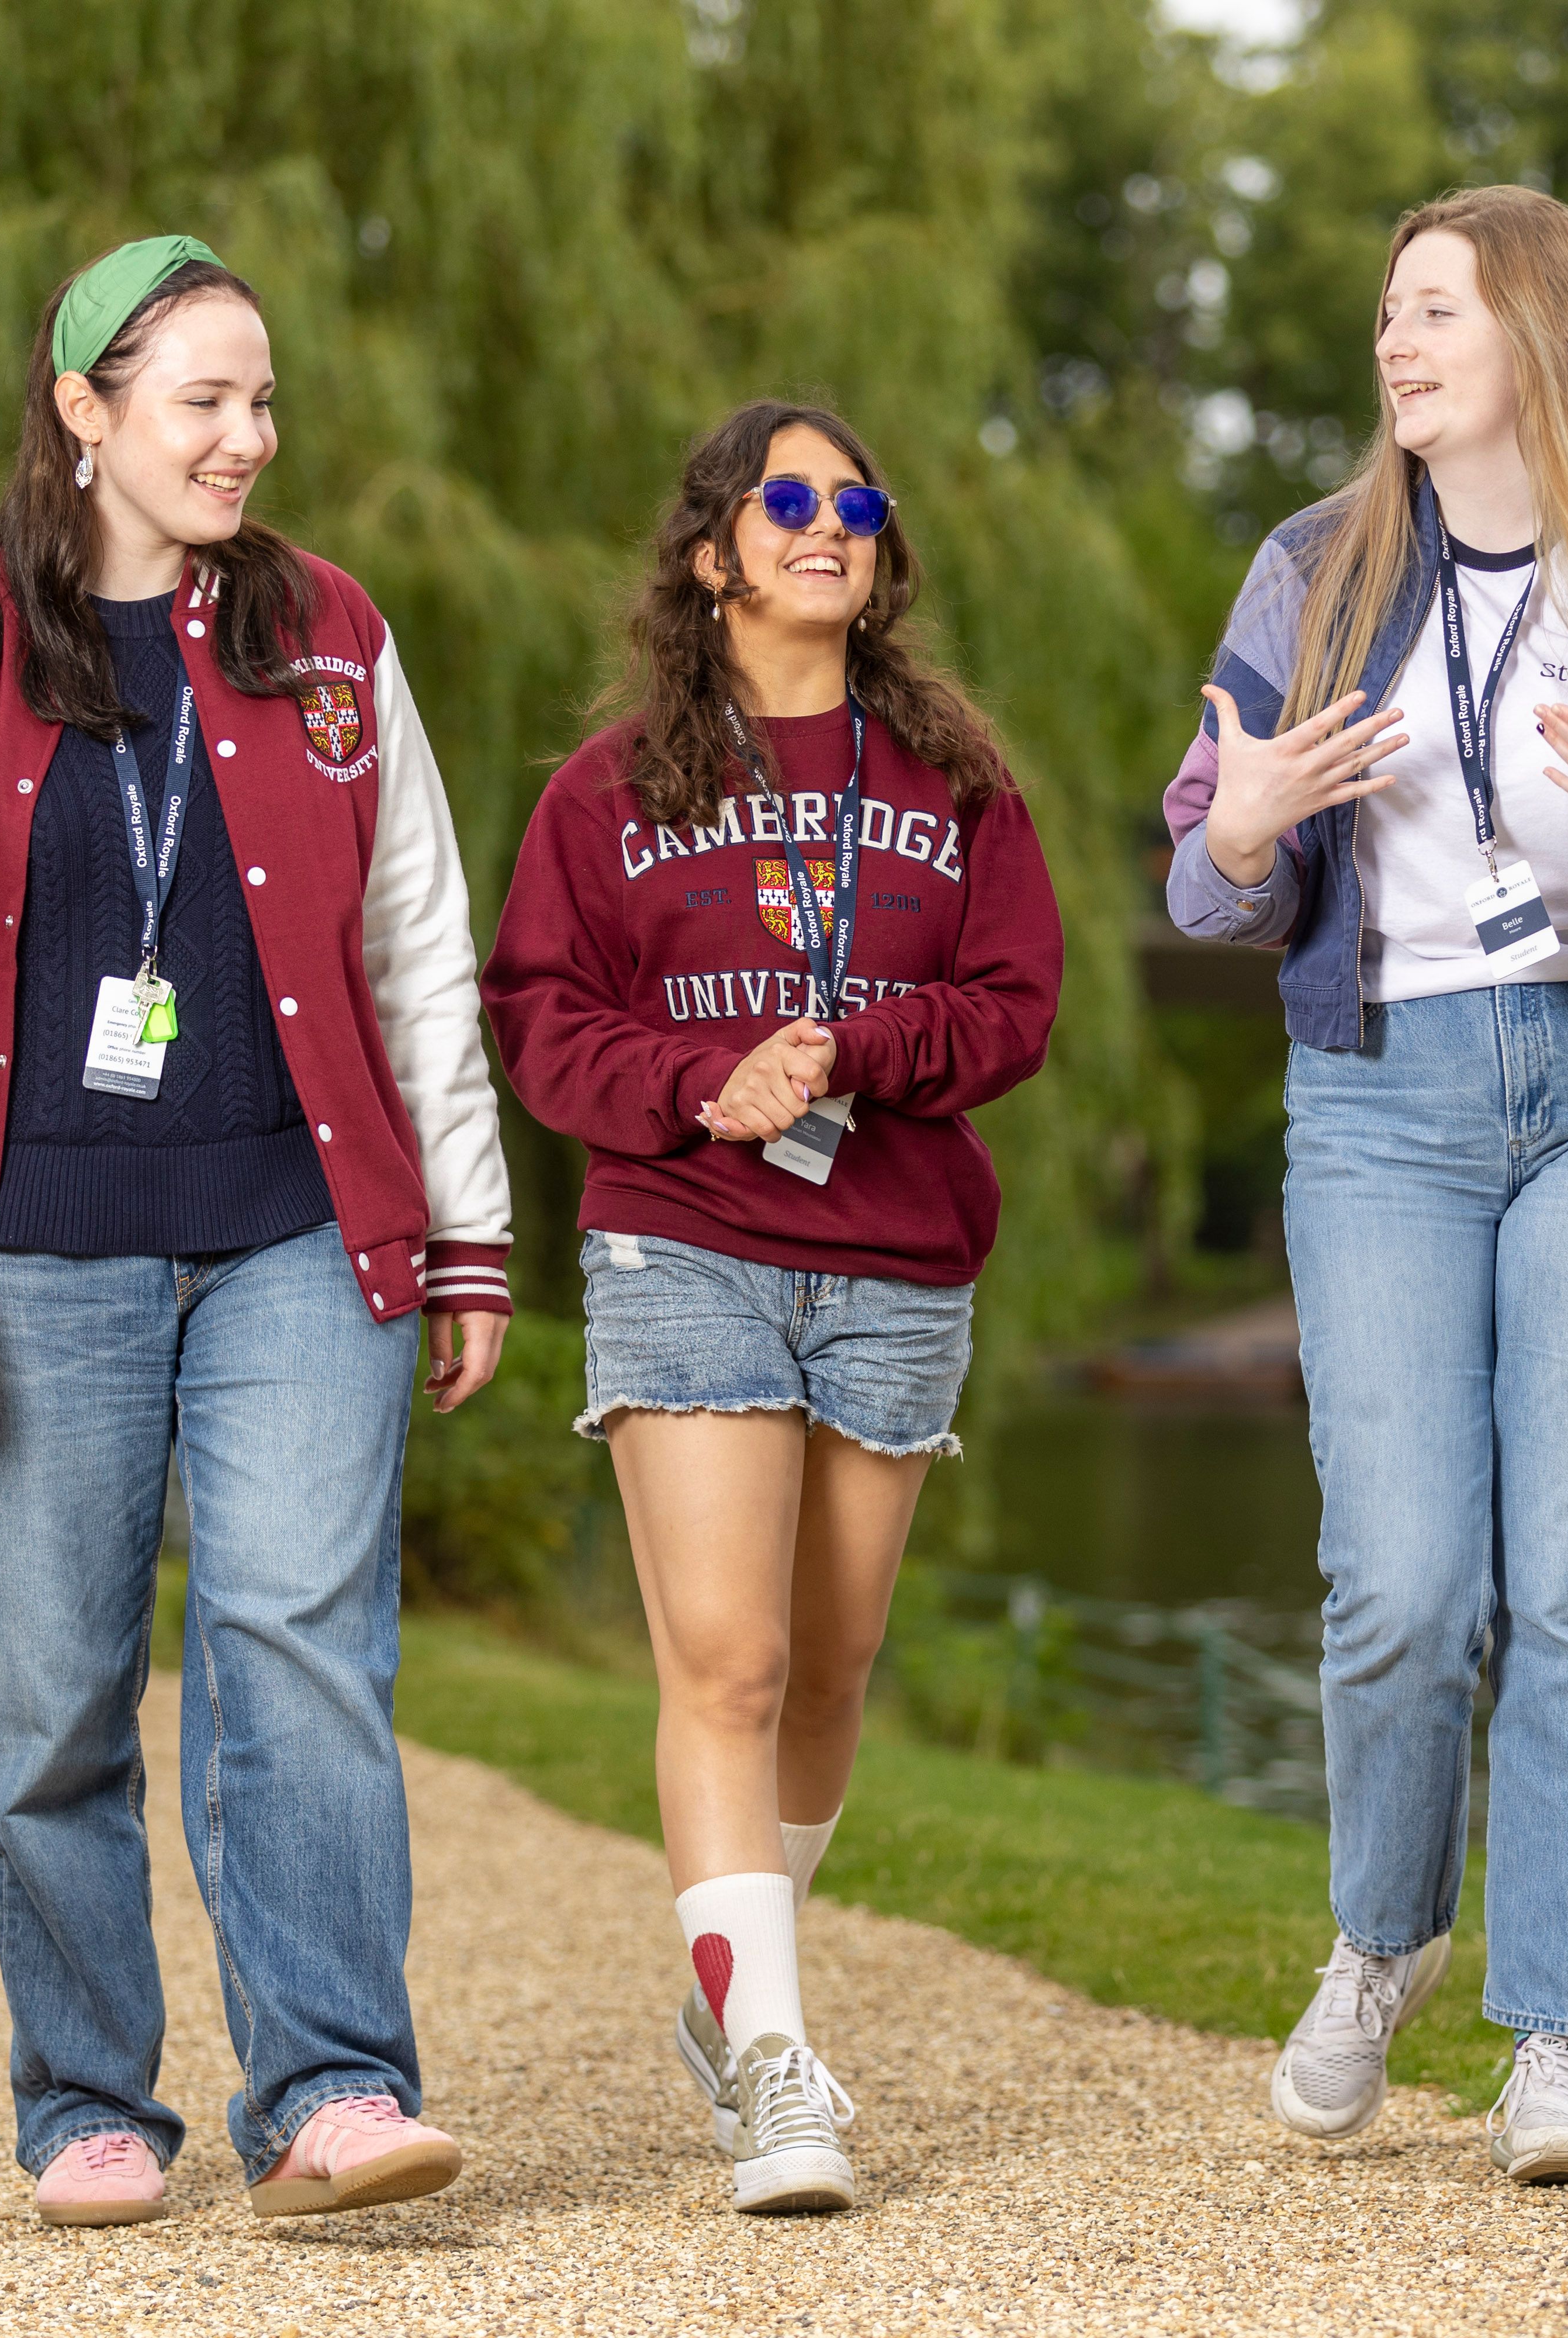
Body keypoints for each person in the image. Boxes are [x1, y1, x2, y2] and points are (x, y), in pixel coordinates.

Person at [0, 239, 511, 2226]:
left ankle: (336, 2090)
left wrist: (464, 1222)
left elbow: (417, 933)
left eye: (263, 399)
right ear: (83, 410)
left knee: (301, 1648)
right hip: (29, 1250)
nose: (247, 436)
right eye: (204, 400)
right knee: (47, 1702)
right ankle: (86, 2098)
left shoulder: (334, 636)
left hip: (298, 1231)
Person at [1158, 185, 1568, 2185]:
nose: (1399, 342)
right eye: (1391, 312)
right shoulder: (1316, 570)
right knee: (1403, 1590)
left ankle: (1554, 2037)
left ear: (1544, 334)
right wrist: (1251, 828)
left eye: (1438, 309)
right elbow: (1204, 883)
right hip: (1387, 1098)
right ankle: (1386, 1939)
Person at [483, 400, 1061, 2215]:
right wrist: (698, 1085)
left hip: (893, 1254)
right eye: (788, 499)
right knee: (726, 1659)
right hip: (687, 1237)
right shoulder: (605, 792)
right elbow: (540, 1020)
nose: (830, 524)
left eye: (856, 502)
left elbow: (1016, 1002)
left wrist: (860, 1048)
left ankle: (734, 1982)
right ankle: (770, 2064)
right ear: (709, 552)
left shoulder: (955, 782)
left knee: (828, 1665)